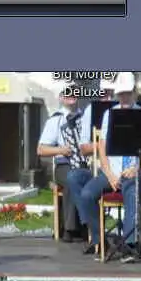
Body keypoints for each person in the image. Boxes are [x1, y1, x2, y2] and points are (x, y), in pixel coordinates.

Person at [77, 71, 141, 259]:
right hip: (112, 171)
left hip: (132, 171)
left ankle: (129, 245)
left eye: (127, 93)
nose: (123, 97)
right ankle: (101, 240)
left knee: (132, 191)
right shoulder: (110, 114)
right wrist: (109, 174)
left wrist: (137, 168)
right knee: (86, 195)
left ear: (134, 93)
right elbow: (102, 146)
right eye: (121, 93)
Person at [37, 82, 91, 241]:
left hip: (86, 163)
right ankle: (71, 228)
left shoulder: (87, 117)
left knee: (91, 180)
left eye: (74, 92)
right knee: (71, 178)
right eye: (67, 92)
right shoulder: (56, 119)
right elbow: (41, 150)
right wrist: (61, 150)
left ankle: (89, 225)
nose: (71, 95)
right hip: (64, 164)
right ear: (61, 97)